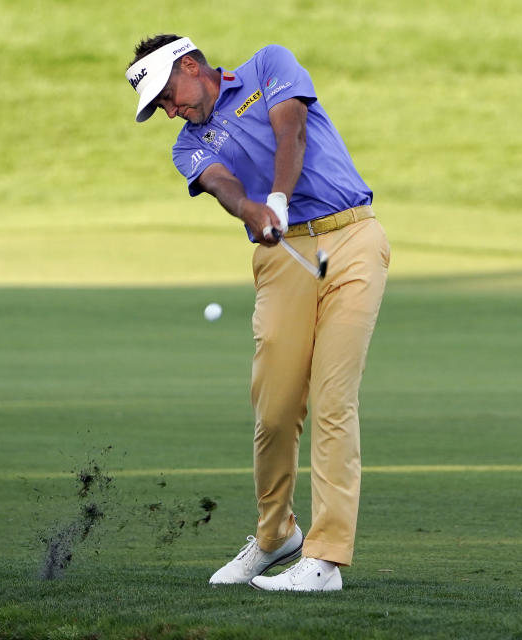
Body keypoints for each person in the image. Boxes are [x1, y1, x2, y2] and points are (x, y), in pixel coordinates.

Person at [126, 35, 390, 592]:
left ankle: (324, 559)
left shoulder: (269, 64)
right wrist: (251, 209)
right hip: (282, 256)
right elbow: (220, 184)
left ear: (190, 65)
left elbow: (289, 127)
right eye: (160, 108)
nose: (171, 111)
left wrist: (275, 197)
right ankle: (276, 537)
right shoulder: (187, 145)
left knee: (334, 401)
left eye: (168, 95)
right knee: (273, 411)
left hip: (353, 238)